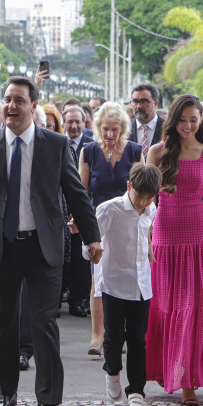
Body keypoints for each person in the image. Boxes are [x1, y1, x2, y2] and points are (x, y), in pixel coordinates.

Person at [0, 76, 103, 406]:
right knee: (5, 324)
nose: (11, 106)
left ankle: (46, 402)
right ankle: (6, 393)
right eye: (6, 99)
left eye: (18, 100)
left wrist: (92, 238)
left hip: (44, 246)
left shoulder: (57, 145)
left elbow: (77, 194)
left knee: (44, 322)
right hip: (2, 246)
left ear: (33, 106)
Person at [145, 94, 203, 406]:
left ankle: (188, 381)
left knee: (193, 307)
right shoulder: (157, 152)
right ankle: (165, 371)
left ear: (202, 121)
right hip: (165, 235)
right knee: (165, 305)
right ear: (173, 120)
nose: (187, 125)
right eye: (182, 120)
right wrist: (141, 239)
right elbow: (144, 201)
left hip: (198, 236)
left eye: (193, 120)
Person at [79, 102, 142, 355]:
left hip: (129, 223)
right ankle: (97, 335)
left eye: (115, 129)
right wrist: (80, 221)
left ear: (123, 128)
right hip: (99, 224)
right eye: (105, 129)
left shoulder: (136, 151)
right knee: (98, 279)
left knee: (126, 279)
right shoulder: (89, 151)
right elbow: (82, 191)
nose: (109, 134)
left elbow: (143, 190)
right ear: (97, 128)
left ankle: (122, 336)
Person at [98, 163, 160, 406]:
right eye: (139, 196)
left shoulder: (150, 209)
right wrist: (91, 252)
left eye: (149, 197)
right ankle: (112, 370)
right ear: (128, 187)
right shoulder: (109, 209)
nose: (143, 202)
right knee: (114, 337)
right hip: (114, 282)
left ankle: (137, 390)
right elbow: (92, 239)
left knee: (137, 339)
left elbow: (146, 232)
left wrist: (149, 247)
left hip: (141, 283)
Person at [61, 106, 94, 316]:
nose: (73, 126)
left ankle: (78, 301)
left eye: (77, 122)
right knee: (62, 256)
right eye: (69, 122)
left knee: (81, 259)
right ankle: (57, 299)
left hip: (83, 209)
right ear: (63, 123)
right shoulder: (56, 143)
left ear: (84, 123)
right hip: (61, 209)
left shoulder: (91, 147)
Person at [127, 84, 164, 160]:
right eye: (135, 101)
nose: (138, 106)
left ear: (155, 103)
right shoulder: (125, 128)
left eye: (144, 101)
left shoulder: (168, 128)